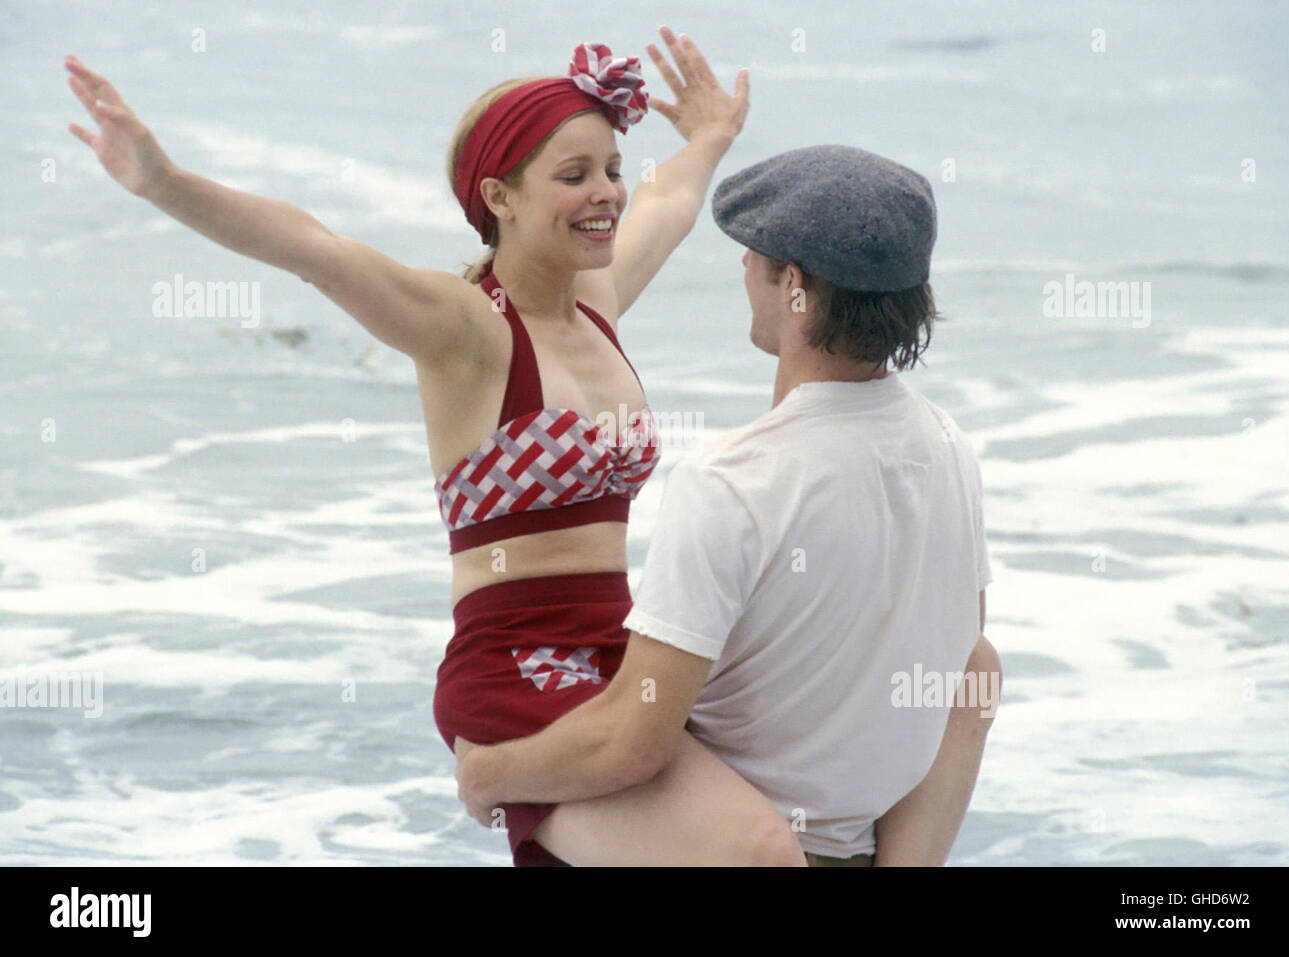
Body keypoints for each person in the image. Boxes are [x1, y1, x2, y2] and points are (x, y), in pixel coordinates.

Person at [65, 30, 828, 867]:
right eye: (574, 175)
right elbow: (315, 250)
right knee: (758, 851)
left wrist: (711, 135)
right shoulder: (467, 329)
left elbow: (669, 201)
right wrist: (164, 182)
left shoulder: (597, 302)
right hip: (515, 671)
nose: (606, 192)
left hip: (625, 653)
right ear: (500, 197)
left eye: (611, 168)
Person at [455, 144, 1002, 866]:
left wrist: (489, 775)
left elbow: (634, 742)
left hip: (731, 846)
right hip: (866, 847)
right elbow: (963, 658)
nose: (744, 265)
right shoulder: (951, 448)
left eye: (756, 254)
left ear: (795, 286)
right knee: (976, 661)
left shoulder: (734, 483)